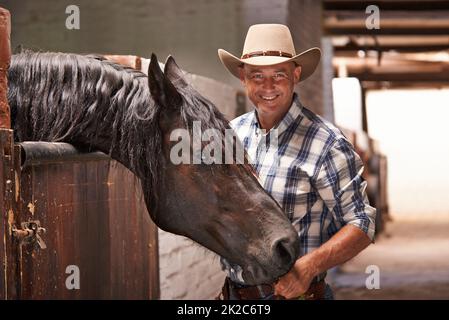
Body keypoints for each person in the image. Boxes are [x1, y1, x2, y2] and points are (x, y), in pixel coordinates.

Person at [217, 24, 376, 300]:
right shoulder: (230, 135)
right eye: (257, 75)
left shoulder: (326, 143)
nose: (268, 87)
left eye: (279, 74)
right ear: (243, 77)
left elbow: (362, 223)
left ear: (296, 74)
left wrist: (309, 267)